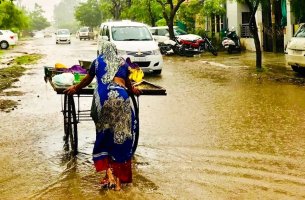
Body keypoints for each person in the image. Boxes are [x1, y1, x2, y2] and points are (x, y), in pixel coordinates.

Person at [64, 40, 141, 191]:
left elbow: (87, 80)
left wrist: (75, 87)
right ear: (115, 50)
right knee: (122, 136)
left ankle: (109, 175)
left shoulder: (97, 62)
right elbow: (129, 86)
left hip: (103, 100)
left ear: (102, 51)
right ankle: (118, 182)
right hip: (122, 99)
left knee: (104, 135)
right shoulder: (123, 63)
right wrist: (134, 91)